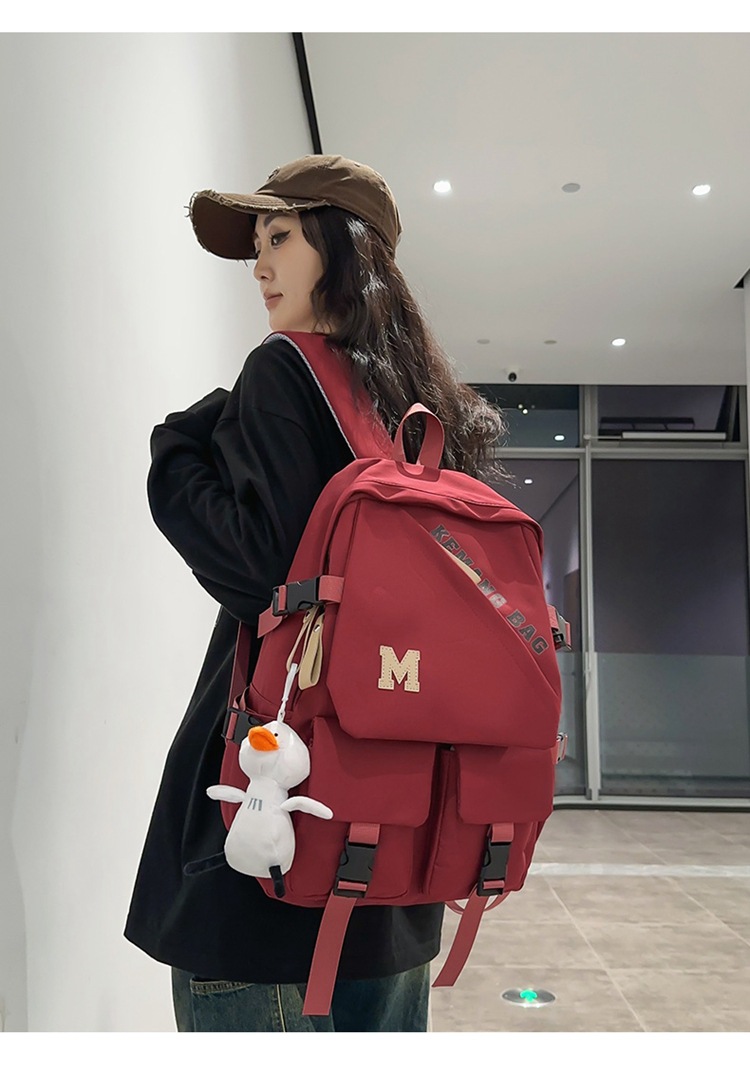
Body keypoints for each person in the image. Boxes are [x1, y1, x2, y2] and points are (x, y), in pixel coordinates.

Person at [124, 154, 509, 1033]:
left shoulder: (283, 370)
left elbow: (261, 576)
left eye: (280, 238)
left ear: (340, 248)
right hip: (396, 868)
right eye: (258, 244)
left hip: (272, 864)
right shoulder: (417, 409)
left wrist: (177, 449)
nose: (260, 265)